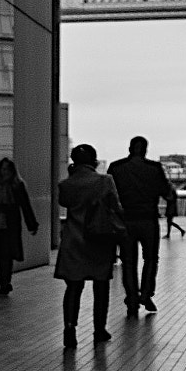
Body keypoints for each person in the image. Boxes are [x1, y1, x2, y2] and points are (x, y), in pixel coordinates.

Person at [56, 145, 124, 350]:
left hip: (73, 240)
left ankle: (70, 328)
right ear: (94, 161)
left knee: (73, 288)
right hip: (99, 239)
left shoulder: (65, 185)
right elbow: (116, 207)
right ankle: (99, 329)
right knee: (100, 287)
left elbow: (65, 203)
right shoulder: (104, 181)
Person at [108, 136, 176, 317]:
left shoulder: (116, 168)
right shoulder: (154, 169)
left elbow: (108, 195)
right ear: (145, 149)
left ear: (130, 148)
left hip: (125, 221)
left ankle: (131, 298)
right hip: (148, 219)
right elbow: (167, 193)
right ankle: (146, 294)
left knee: (128, 262)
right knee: (151, 259)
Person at [0, 158, 38, 296]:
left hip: (10, 225)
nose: (4, 172)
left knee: (7, 254)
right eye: (3, 169)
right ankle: (4, 282)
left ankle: (5, 282)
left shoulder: (17, 185)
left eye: (7, 169)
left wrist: (31, 224)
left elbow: (25, 205)